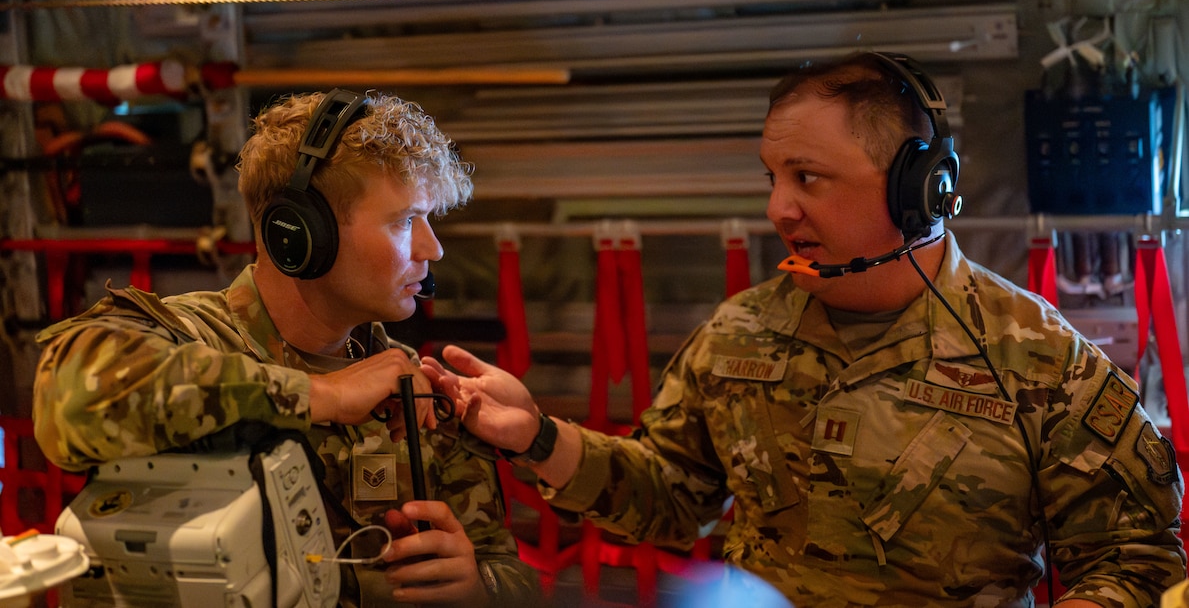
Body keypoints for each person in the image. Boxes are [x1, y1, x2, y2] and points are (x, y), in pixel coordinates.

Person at [422, 52, 1188, 607]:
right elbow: (674, 498)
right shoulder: (742, 331)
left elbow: (1134, 557)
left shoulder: (1039, 357)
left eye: (807, 178)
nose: (777, 209)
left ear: (917, 188)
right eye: (772, 177)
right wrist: (538, 438)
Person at [32, 89, 540, 607]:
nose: (433, 248)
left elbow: (514, 578)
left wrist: (478, 588)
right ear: (297, 234)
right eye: (405, 221)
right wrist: (318, 394)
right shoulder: (192, 339)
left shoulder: (416, 391)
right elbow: (71, 399)